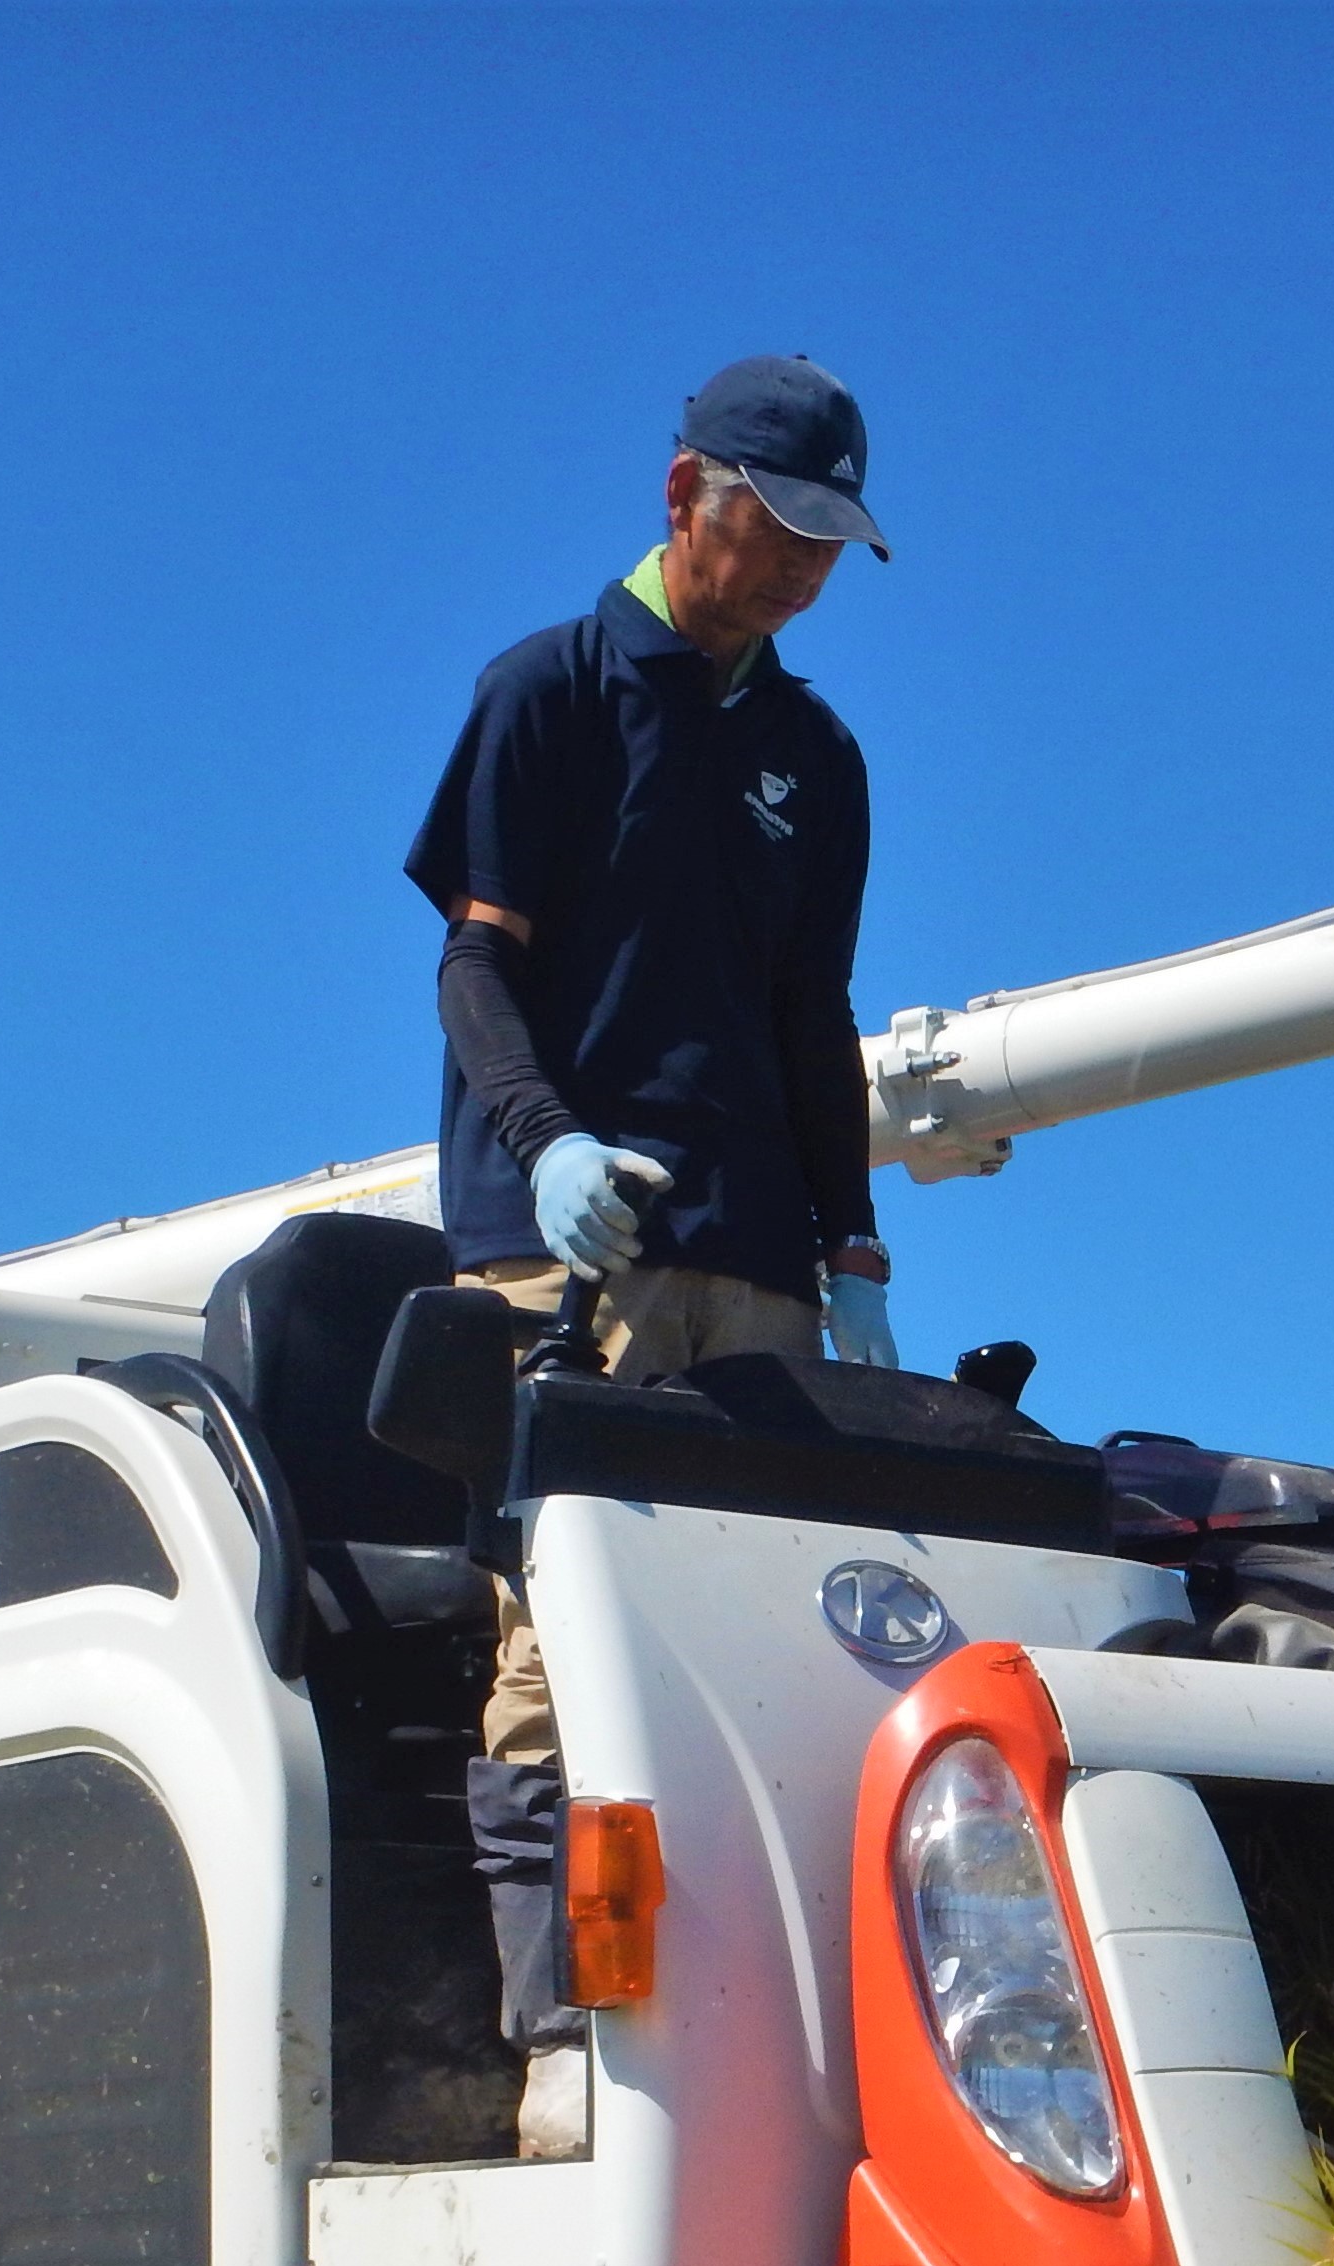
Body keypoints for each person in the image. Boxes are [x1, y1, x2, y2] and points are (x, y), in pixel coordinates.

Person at [405, 354, 896, 2150]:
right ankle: (565, 2031)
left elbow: (808, 1014)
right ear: (688, 488)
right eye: (774, 531)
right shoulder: (547, 690)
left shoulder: (816, 757)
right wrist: (542, 1149)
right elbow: (475, 964)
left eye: (830, 550)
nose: (795, 574)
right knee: (567, 1632)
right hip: (569, 1245)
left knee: (783, 1635)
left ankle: (783, 2018)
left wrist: (851, 1242)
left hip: (754, 1244)